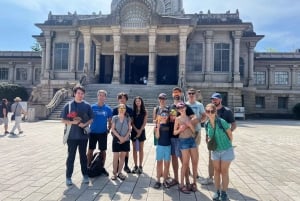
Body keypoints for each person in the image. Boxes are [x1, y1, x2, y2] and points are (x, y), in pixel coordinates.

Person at [61, 85, 93, 186]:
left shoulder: (87, 105)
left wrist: (85, 124)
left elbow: (91, 118)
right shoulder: (68, 105)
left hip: (83, 136)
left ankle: (85, 175)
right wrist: (74, 123)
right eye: (78, 93)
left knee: (83, 157)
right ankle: (68, 177)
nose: (80, 95)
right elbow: (62, 120)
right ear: (74, 93)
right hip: (71, 136)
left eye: (82, 93)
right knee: (71, 157)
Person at [201, 92, 236, 185]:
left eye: (216, 99)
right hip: (213, 141)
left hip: (224, 142)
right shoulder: (209, 109)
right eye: (212, 99)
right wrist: (207, 137)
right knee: (211, 160)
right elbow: (206, 125)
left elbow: (233, 124)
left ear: (220, 100)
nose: (214, 100)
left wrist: (227, 134)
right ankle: (210, 177)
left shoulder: (227, 111)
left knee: (223, 165)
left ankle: (222, 179)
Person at [205, 103, 234, 201]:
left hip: (226, 150)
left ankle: (224, 193)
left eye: (212, 111)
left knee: (224, 171)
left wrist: (228, 145)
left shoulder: (222, 122)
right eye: (208, 111)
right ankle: (217, 191)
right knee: (217, 171)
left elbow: (230, 134)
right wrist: (209, 141)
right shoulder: (206, 124)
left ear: (215, 111)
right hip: (215, 151)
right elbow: (208, 136)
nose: (210, 113)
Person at [167, 87, 195, 187]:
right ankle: (176, 179)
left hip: (182, 138)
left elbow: (193, 117)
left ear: (181, 94)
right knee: (174, 158)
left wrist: (186, 126)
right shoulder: (170, 107)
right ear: (172, 94)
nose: (176, 94)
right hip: (172, 136)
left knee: (184, 160)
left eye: (178, 92)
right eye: (174, 93)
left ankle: (187, 181)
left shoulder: (185, 106)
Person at [173, 102, 198, 194]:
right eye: (179, 108)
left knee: (195, 162)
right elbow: (174, 133)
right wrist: (180, 129)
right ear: (177, 110)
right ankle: (182, 185)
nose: (181, 109)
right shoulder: (177, 119)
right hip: (183, 141)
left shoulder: (190, 118)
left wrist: (189, 125)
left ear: (185, 108)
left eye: (182, 107)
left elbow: (194, 131)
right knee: (185, 163)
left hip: (191, 140)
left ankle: (194, 183)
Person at [87, 90, 112, 176]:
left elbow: (110, 121)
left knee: (103, 151)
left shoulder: (108, 109)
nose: (101, 97)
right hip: (93, 133)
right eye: (100, 95)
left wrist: (108, 129)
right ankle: (88, 166)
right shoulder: (92, 107)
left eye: (103, 96)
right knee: (90, 150)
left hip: (102, 133)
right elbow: (87, 119)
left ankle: (101, 167)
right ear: (97, 96)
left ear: (105, 97)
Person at [185, 88, 206, 178]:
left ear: (195, 95)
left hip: (196, 131)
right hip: (187, 131)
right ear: (187, 94)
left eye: (193, 93)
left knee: (195, 152)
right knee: (187, 152)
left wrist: (199, 121)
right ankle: (188, 169)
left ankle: (195, 171)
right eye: (189, 93)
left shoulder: (199, 105)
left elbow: (204, 116)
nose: (191, 95)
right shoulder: (185, 105)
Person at [112, 92, 133, 173]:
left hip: (126, 135)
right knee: (116, 154)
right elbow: (112, 124)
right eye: (120, 98)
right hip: (116, 136)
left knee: (125, 153)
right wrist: (118, 136)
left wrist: (125, 137)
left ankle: (125, 166)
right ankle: (115, 169)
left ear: (126, 99)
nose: (122, 99)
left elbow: (130, 124)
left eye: (124, 98)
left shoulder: (130, 110)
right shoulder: (114, 110)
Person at [111, 103, 132, 181]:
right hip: (116, 139)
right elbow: (112, 129)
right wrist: (120, 137)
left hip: (126, 140)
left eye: (123, 108)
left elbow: (129, 129)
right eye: (120, 108)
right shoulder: (115, 118)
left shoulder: (128, 118)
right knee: (115, 156)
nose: (122, 109)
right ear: (118, 109)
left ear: (125, 110)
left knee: (122, 156)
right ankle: (114, 173)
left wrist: (125, 138)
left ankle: (120, 172)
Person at [153, 109, 172, 189]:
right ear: (160, 116)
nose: (164, 117)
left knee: (167, 164)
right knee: (159, 163)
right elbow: (157, 137)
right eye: (162, 115)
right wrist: (157, 127)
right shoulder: (158, 125)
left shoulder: (170, 125)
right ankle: (158, 180)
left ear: (168, 116)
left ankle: (164, 180)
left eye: (166, 115)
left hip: (168, 146)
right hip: (160, 146)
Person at [131, 96, 147, 174]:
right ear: (135, 102)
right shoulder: (133, 111)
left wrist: (140, 131)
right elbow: (132, 122)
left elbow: (144, 123)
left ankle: (140, 166)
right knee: (134, 149)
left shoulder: (144, 111)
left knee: (141, 149)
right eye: (136, 101)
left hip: (142, 131)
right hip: (134, 131)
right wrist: (136, 130)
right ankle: (135, 165)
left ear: (141, 102)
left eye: (139, 101)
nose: (138, 102)